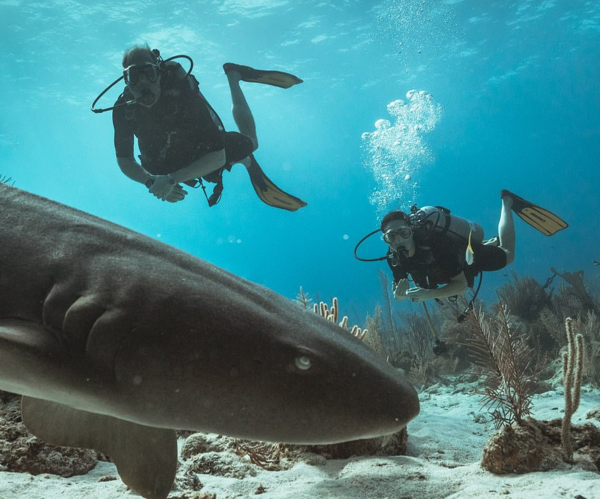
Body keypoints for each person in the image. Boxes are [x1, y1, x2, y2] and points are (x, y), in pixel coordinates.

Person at [112, 44, 307, 210]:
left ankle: (234, 76)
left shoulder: (182, 93)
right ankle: (241, 161)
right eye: (133, 76)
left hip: (201, 146)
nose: (143, 83)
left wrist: (170, 181)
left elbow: (218, 154)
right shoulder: (124, 110)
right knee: (189, 171)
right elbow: (125, 160)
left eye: (149, 73)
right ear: (125, 81)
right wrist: (152, 182)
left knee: (251, 143)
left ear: (160, 74)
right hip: (163, 162)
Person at [382, 190, 568, 303]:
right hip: (446, 269)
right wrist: (399, 297)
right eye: (391, 236)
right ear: (386, 240)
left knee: (508, 254)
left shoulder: (439, 247)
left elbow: (461, 286)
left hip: (465, 257)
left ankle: (507, 202)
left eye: (404, 233)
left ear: (411, 232)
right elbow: (399, 289)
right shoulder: (394, 260)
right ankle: (485, 243)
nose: (398, 241)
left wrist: (429, 294)